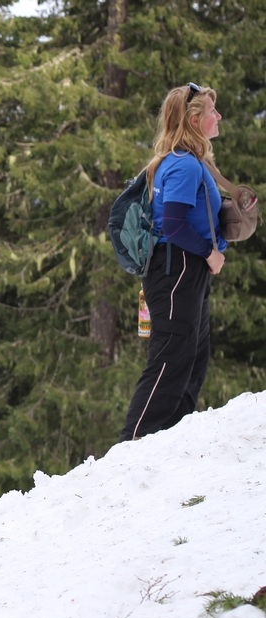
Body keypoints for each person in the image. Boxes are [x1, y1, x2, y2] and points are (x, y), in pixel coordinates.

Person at [119, 83, 228, 442]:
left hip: (183, 269)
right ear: (195, 120)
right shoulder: (183, 165)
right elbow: (176, 225)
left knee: (193, 359)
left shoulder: (190, 162)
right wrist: (211, 253)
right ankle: (132, 444)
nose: (219, 116)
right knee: (170, 358)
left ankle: (170, 443)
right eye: (212, 111)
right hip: (176, 267)